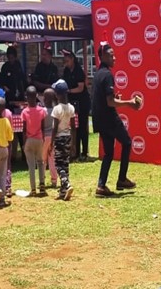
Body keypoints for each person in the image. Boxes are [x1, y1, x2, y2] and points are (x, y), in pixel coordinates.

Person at [91, 44, 142, 197]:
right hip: (109, 118)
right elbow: (110, 102)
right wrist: (129, 102)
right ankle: (121, 179)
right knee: (127, 142)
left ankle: (101, 186)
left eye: (114, 55)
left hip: (100, 119)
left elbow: (105, 98)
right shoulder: (107, 75)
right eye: (111, 55)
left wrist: (116, 98)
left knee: (108, 153)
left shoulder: (98, 74)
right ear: (103, 57)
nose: (114, 58)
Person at [61, 49, 91, 161]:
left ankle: (84, 152)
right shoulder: (66, 71)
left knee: (83, 127)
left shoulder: (79, 71)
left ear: (72, 59)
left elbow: (80, 88)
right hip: (72, 103)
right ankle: (76, 152)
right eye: (64, 61)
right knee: (75, 128)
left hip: (82, 102)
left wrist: (68, 91)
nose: (66, 63)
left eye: (67, 61)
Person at [50, 80, 75, 200]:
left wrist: (51, 142)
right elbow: (73, 127)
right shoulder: (71, 108)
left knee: (58, 164)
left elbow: (54, 128)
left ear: (57, 95)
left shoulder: (56, 109)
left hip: (59, 138)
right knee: (65, 163)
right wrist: (73, 143)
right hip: (68, 137)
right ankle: (63, 191)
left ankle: (66, 183)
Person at [20, 86, 47, 196]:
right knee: (40, 162)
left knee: (31, 165)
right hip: (39, 139)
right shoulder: (42, 110)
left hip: (29, 139)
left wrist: (24, 143)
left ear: (26, 97)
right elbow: (43, 127)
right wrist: (43, 139)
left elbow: (24, 130)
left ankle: (33, 189)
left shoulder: (24, 112)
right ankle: (42, 185)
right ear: (36, 96)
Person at [41, 87, 58, 192]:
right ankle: (54, 180)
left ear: (44, 98)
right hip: (53, 137)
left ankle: (42, 180)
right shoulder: (55, 110)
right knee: (52, 159)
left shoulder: (42, 111)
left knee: (42, 159)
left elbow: (41, 126)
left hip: (44, 137)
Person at [1, 45, 27, 113]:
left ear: (15, 57)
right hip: (9, 92)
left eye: (12, 58)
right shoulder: (5, 67)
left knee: (20, 110)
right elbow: (2, 81)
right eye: (9, 58)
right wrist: (5, 87)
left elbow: (22, 78)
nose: (11, 60)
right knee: (10, 110)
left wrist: (24, 90)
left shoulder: (18, 65)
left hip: (19, 91)